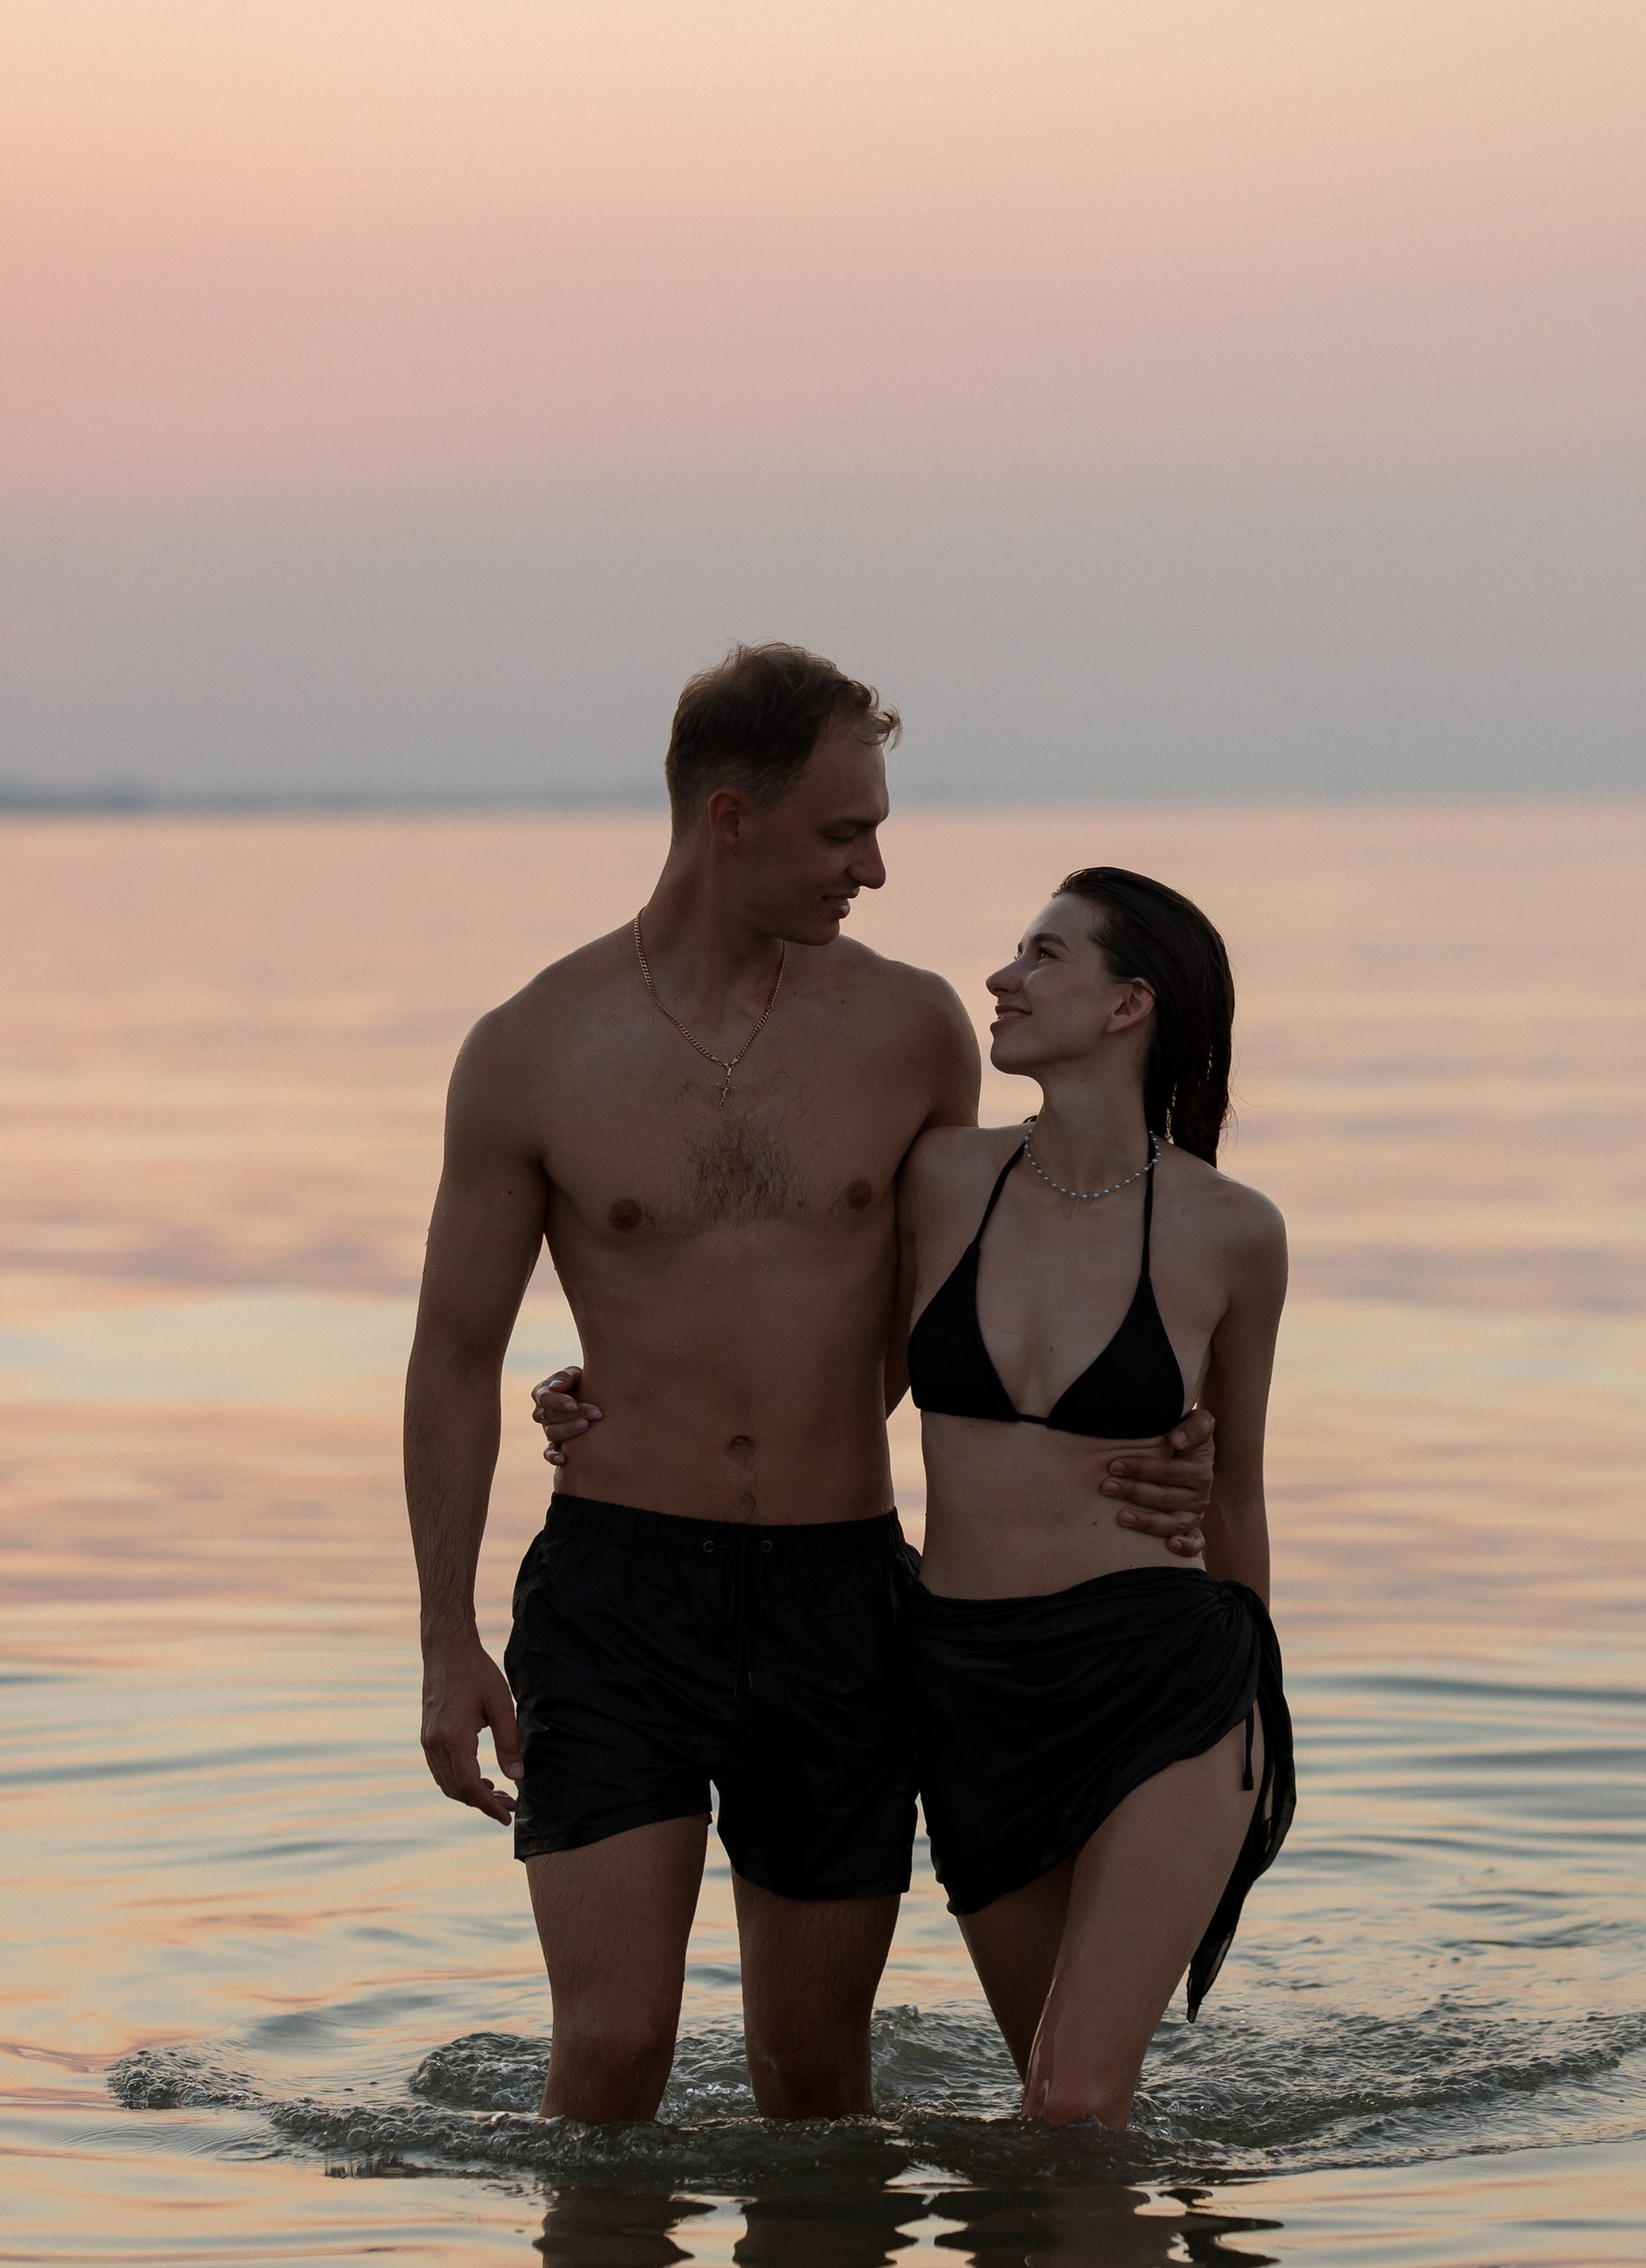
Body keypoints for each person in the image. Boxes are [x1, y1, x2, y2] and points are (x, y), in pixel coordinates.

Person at [405, 644, 1218, 2126]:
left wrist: (1166, 1431)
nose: (879, 870)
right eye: (848, 832)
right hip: (616, 1595)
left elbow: (978, 1303)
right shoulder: (531, 1050)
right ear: (733, 820)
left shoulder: (908, 1032)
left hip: (840, 1598)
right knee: (608, 2053)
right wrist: (446, 1633)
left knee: (810, 2076)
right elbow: (454, 1352)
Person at [896, 867, 1295, 2128]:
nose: (1003, 980)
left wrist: (1257, 1694)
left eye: (1041, 955)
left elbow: (1236, 1487)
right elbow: (798, 1362)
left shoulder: (1230, 1230)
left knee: (1072, 2105)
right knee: (1054, 2103)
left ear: (1130, 1004)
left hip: (1160, 1683)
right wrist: (610, 1397)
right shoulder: (936, 1181)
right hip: (967, 1683)